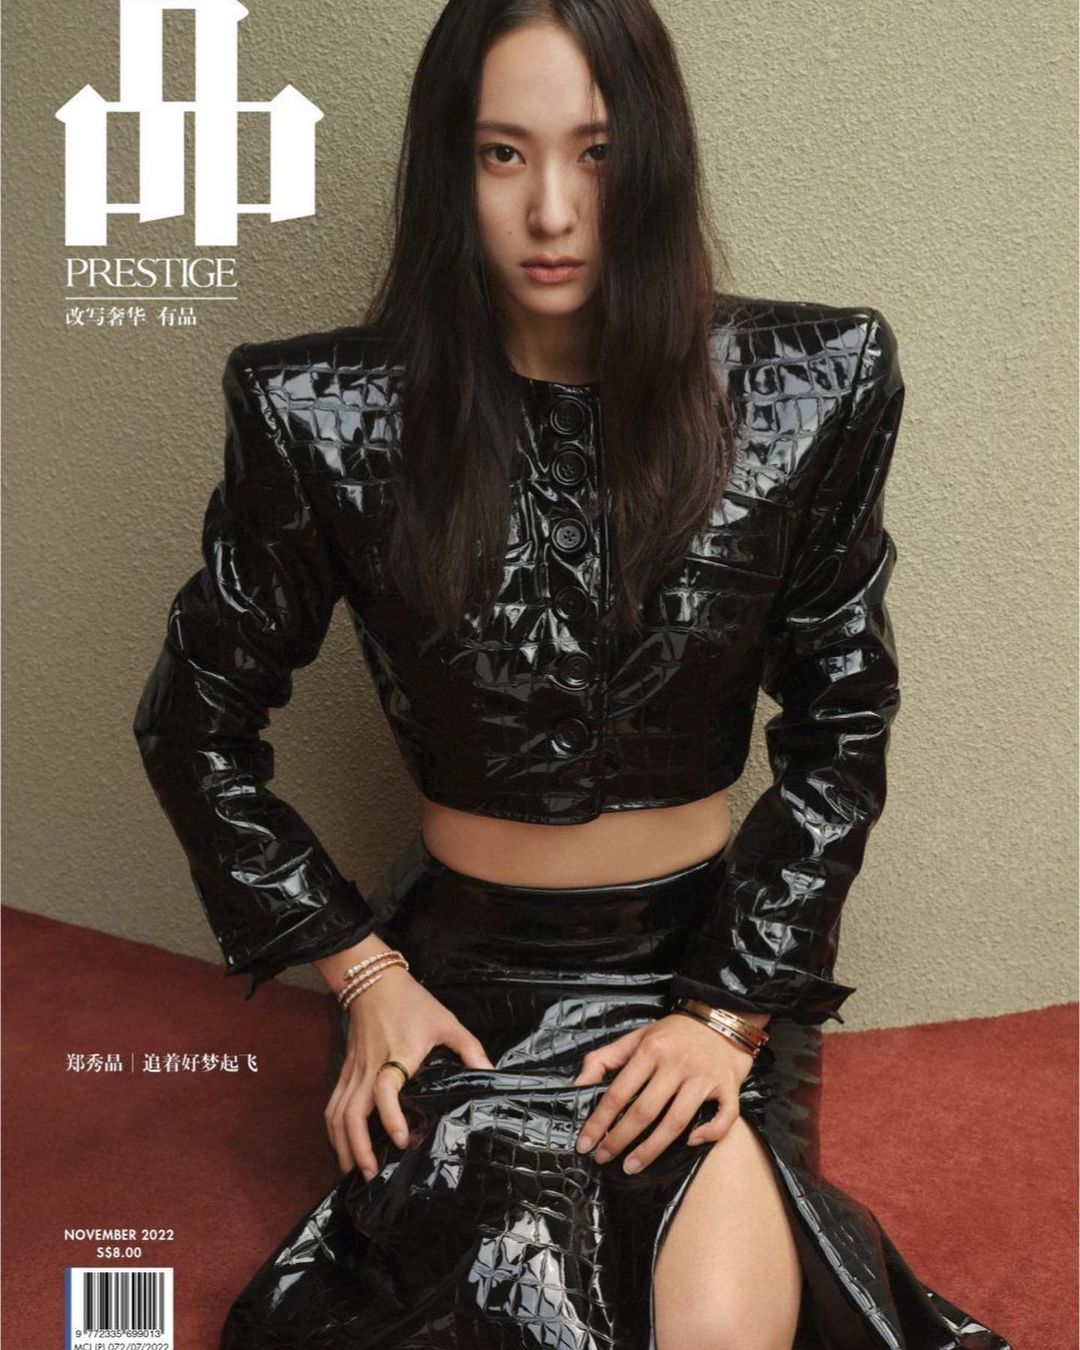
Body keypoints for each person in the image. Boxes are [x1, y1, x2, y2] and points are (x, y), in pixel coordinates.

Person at [132, 3, 1013, 1348]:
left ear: (652, 158)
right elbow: (192, 722)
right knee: (521, 1311)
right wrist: (362, 977)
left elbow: (843, 726)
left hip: (704, 965)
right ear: (450, 166)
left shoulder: (811, 384)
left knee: (717, 1320)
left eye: (595, 154)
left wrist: (726, 1015)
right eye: (503, 154)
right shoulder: (321, 412)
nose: (551, 209)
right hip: (455, 985)